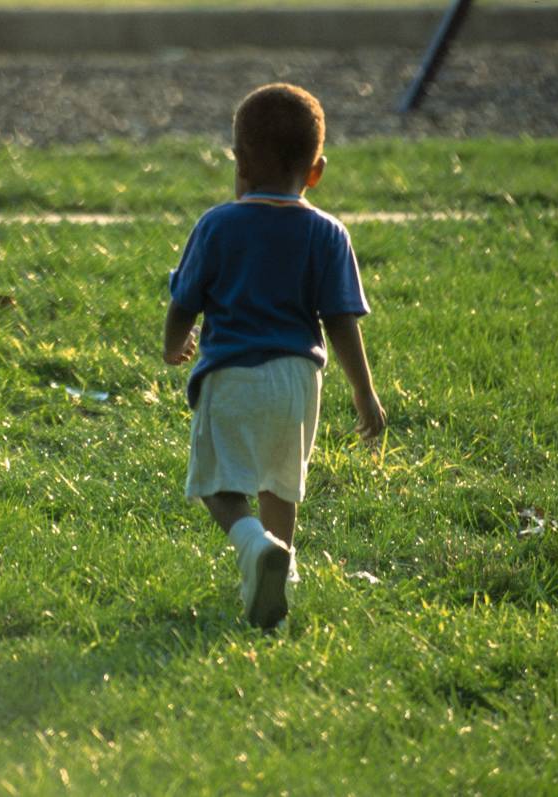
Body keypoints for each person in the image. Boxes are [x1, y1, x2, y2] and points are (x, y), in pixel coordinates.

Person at [162, 82, 386, 630]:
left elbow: (184, 301)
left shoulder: (216, 224)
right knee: (280, 486)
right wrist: (364, 391)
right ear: (316, 171)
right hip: (296, 380)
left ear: (239, 162)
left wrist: (173, 346)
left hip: (230, 372)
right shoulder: (328, 233)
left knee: (217, 485)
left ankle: (252, 547)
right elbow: (340, 322)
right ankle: (279, 580)